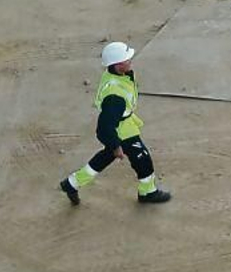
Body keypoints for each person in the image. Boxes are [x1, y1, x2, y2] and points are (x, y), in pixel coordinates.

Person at [59, 41, 172, 206]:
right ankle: (148, 192)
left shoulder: (114, 75)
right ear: (118, 65)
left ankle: (72, 183)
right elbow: (104, 127)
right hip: (122, 131)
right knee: (143, 160)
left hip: (123, 124)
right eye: (127, 59)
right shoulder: (115, 98)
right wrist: (116, 145)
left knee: (105, 157)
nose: (131, 61)